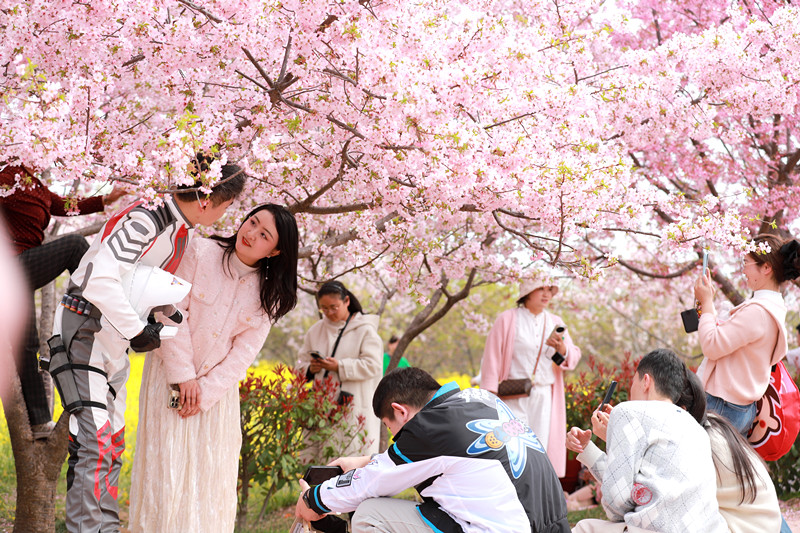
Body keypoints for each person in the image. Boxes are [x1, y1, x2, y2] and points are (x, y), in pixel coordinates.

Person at [52, 157, 246, 533]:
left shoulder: (180, 229)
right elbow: (98, 278)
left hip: (114, 341)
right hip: (86, 329)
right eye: (226, 205)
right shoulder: (148, 217)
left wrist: (161, 318)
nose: (226, 214)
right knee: (94, 445)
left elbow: (139, 284)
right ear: (207, 200)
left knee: (111, 444)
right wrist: (138, 330)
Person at [129, 204, 299, 532]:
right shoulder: (199, 251)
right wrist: (184, 378)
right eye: (252, 222)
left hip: (215, 397)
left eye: (264, 234)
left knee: (209, 480)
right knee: (165, 474)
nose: (251, 234)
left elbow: (243, 354)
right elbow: (169, 309)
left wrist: (203, 392)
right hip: (169, 378)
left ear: (276, 250)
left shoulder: (268, 295)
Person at [295, 367, 571, 533]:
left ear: (400, 411)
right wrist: (369, 460)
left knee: (369, 513)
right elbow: (449, 455)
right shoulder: (478, 398)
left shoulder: (428, 428)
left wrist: (311, 501)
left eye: (393, 431)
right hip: (549, 526)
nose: (397, 438)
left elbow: (370, 484)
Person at [0, 163, 126, 438]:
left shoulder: (39, 186)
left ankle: (39, 423)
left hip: (23, 272)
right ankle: (101, 308)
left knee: (26, 347)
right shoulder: (6, 175)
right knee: (74, 246)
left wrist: (108, 199)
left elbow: (65, 205)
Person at [566, 348, 728, 533]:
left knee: (583, 528)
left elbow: (616, 505)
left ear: (646, 381)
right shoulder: (695, 427)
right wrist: (588, 448)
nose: (630, 391)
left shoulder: (628, 411)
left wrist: (618, 429)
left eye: (632, 382)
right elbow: (643, 491)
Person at [694, 234, 800, 434]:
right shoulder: (771, 307)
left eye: (747, 262)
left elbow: (711, 345)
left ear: (766, 268)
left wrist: (707, 302)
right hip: (739, 407)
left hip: (722, 406)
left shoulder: (758, 312)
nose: (743, 269)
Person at [479, 276, 581, 477]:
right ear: (527, 291)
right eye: (540, 288)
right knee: (510, 444)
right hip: (512, 395)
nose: (546, 294)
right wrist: (489, 394)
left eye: (550, 289)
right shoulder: (507, 319)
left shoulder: (555, 322)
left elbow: (571, 358)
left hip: (544, 395)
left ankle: (534, 497)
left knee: (539, 446)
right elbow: (492, 357)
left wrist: (561, 347)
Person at [295, 280, 383, 455]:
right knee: (318, 461)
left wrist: (339, 366)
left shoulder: (365, 330)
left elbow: (373, 366)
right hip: (321, 408)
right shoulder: (315, 331)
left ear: (347, 301)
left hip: (354, 406)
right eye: (324, 308)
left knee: (350, 460)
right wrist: (310, 369)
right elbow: (299, 365)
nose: (329, 313)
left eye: (334, 307)